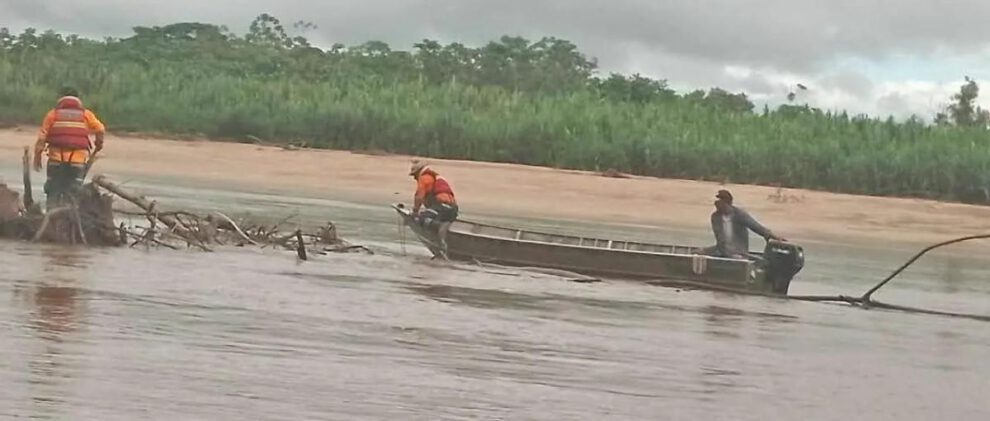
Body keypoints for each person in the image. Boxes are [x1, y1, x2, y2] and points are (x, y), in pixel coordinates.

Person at [34, 87, 106, 208]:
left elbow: (42, 138)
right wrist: (99, 144)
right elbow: (100, 129)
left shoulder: (52, 114)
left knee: (53, 191)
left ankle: (50, 217)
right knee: (74, 192)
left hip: (56, 160)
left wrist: (37, 157)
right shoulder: (86, 114)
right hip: (77, 161)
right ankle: (70, 218)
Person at [700, 189, 785, 258]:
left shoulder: (739, 214)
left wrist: (772, 236)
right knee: (697, 253)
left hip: (738, 251)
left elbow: (756, 226)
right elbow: (721, 240)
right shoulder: (716, 217)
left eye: (721, 200)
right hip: (721, 250)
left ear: (728, 203)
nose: (717, 202)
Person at [409, 161, 458, 254]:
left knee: (421, 218)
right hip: (452, 210)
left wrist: (415, 212)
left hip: (443, 207)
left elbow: (419, 196)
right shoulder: (435, 177)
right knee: (431, 215)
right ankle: (442, 234)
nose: (414, 178)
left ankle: (440, 226)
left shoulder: (424, 178)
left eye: (414, 175)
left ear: (418, 172)